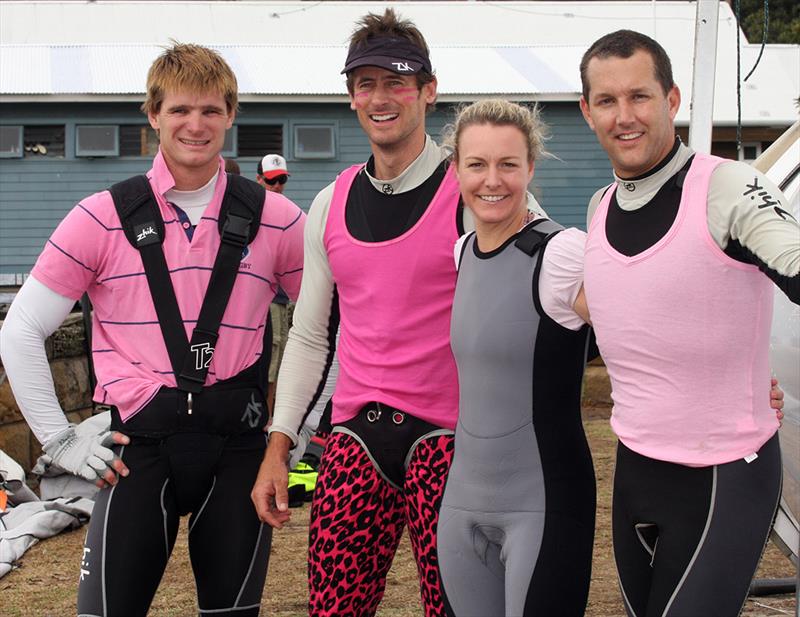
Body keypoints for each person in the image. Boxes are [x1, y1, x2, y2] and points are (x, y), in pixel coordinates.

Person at [251, 9, 543, 617]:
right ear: (352, 96)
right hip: (355, 441)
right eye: (366, 83)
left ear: (428, 91)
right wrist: (281, 446)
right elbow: (309, 337)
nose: (381, 97)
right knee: (333, 610)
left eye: (397, 81)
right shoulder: (330, 202)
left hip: (454, 443)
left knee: (460, 609)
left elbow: (558, 289)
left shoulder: (476, 188)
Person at [0, 44, 306, 616]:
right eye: (180, 110)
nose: (196, 125)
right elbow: (18, 331)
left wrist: (296, 430)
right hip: (135, 451)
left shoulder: (279, 218)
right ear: (153, 115)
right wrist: (59, 440)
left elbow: (327, 324)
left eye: (212, 110)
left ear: (231, 115)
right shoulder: (99, 216)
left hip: (239, 449)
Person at [578, 30, 800, 616]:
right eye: (607, 101)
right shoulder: (601, 204)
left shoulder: (729, 186)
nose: (624, 117)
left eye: (640, 97)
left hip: (725, 476)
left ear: (672, 99)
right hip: (635, 472)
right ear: (587, 110)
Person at [437, 99, 595, 616]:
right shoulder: (461, 251)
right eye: (476, 164)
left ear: (531, 166)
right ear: (455, 167)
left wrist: (740, 385)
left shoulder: (563, 252)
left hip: (543, 502)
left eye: (508, 164)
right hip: (461, 503)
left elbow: (647, 333)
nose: (493, 180)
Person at [257, 153, 293, 412]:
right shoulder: (253, 212)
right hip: (261, 299)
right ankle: (265, 416)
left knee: (281, 358)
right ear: (259, 180)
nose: (277, 186)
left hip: (282, 298)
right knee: (270, 355)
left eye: (281, 180)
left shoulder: (289, 213)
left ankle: (271, 417)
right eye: (272, 181)